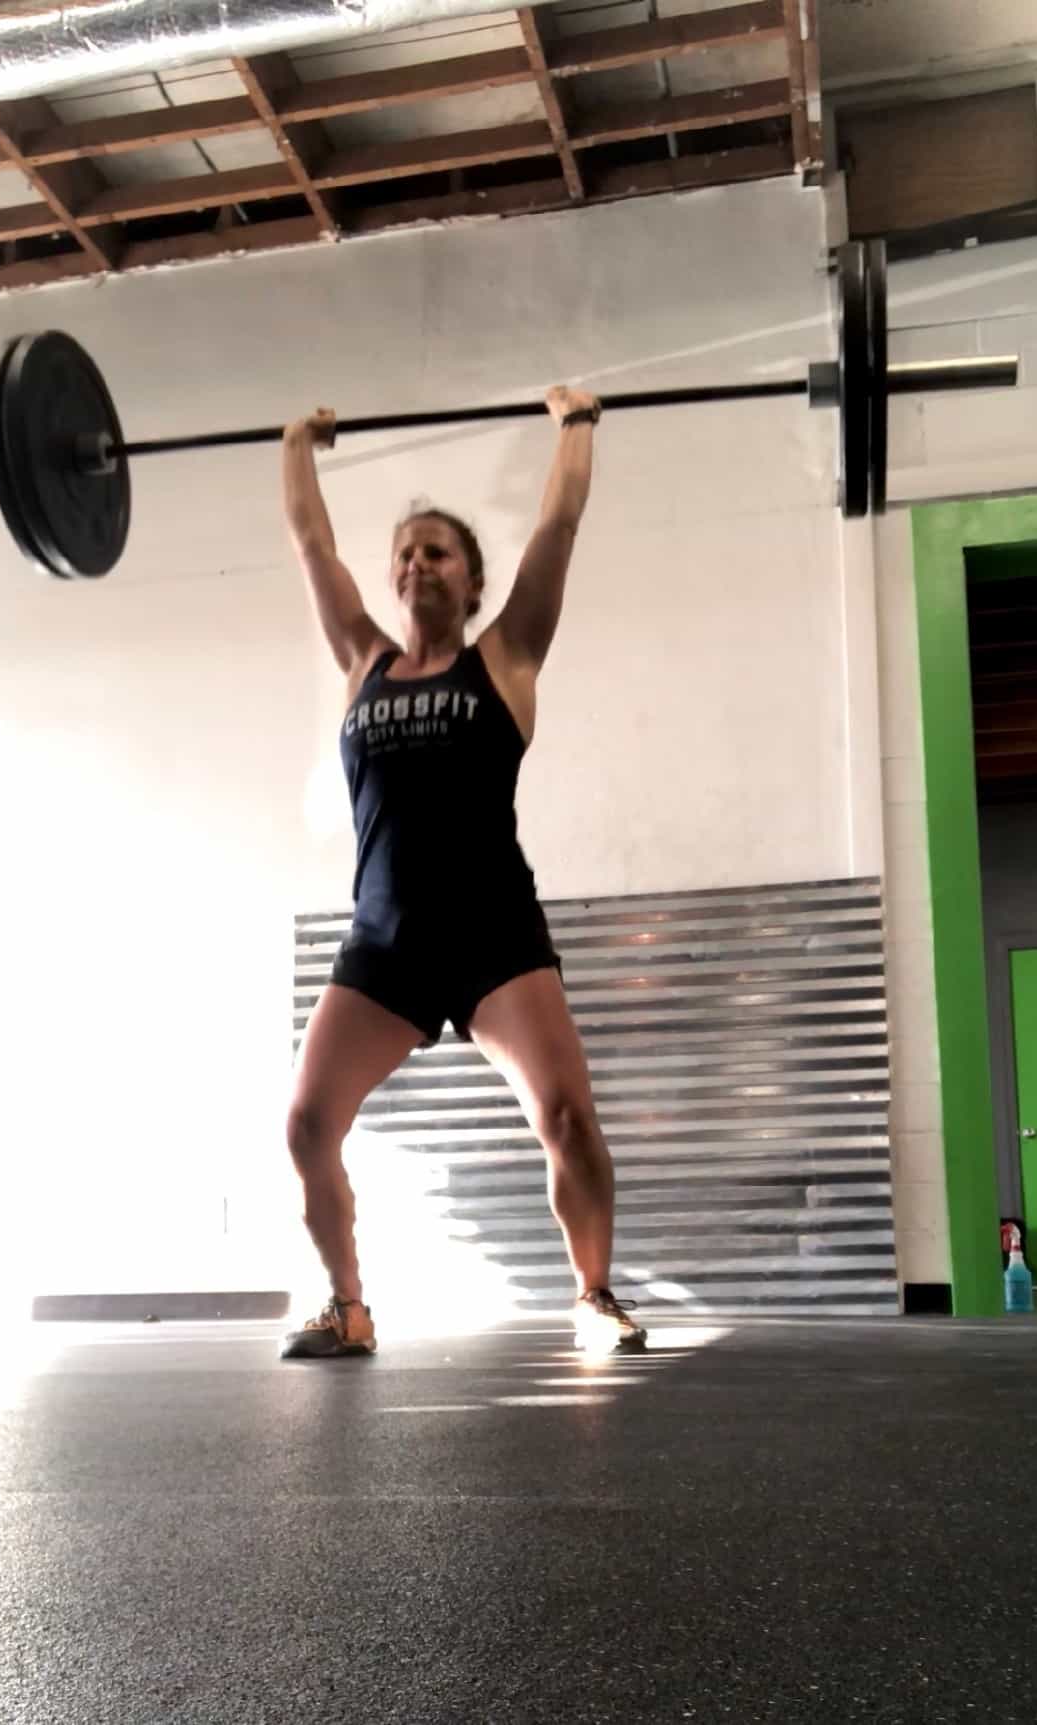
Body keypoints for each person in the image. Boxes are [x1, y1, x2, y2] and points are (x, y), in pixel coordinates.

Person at [279, 386, 646, 1360]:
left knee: (567, 1116)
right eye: (404, 552)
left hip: (492, 931)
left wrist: (575, 426)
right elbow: (314, 547)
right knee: (308, 1121)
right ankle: (348, 1306)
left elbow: (558, 522)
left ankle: (594, 1295)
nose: (414, 563)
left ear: (470, 578)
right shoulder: (361, 663)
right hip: (386, 940)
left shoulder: (507, 658)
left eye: (436, 550)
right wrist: (295, 445)